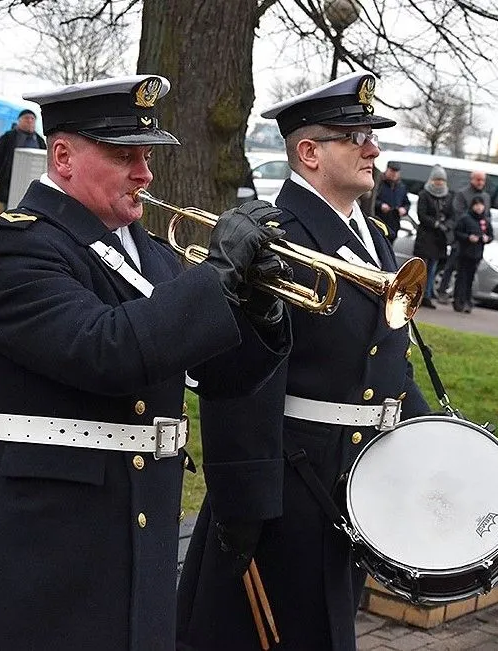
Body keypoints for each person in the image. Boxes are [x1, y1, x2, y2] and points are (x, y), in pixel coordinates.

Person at [0, 75, 291, 651]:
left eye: (147, 156)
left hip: (144, 532)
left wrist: (259, 310)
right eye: (124, 157)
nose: (145, 174)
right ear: (63, 158)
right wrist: (217, 277)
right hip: (54, 546)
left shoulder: (153, 255)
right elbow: (105, 350)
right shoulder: (17, 249)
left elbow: (221, 378)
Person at [177, 70, 430, 651]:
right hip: (290, 482)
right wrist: (244, 503)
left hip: (355, 476)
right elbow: (238, 382)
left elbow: (385, 358)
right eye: (356, 137)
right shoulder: (274, 236)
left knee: (328, 624)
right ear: (310, 153)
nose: (373, 149)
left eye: (371, 135)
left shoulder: (370, 234)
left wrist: (433, 441)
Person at [440, 170, 491, 301]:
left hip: (476, 242)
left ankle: (464, 297)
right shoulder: (462, 194)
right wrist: (469, 231)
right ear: (472, 179)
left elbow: (487, 216)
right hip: (461, 238)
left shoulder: (486, 197)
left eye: (483, 180)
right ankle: (443, 291)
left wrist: (484, 232)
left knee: (470, 271)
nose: (480, 183)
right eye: (478, 179)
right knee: (452, 265)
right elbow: (458, 214)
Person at [413, 164, 454, 309]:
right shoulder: (424, 194)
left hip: (439, 239)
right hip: (426, 237)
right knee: (422, 268)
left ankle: (427, 295)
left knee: (432, 268)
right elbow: (422, 215)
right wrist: (435, 223)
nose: (439, 183)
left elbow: (452, 215)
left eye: (442, 180)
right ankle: (417, 295)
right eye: (437, 180)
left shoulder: (448, 197)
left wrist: (446, 225)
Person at [0, 108, 46, 206]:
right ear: (19, 120)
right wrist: (2, 180)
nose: (30, 121)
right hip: (9, 187)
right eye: (26, 118)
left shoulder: (40, 141)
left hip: (32, 189)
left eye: (32, 119)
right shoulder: (8, 137)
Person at [453, 194, 493, 313]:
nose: (479, 208)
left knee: (470, 278)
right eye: (477, 205)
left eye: (481, 205)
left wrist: (487, 239)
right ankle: (458, 301)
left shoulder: (485, 220)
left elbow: (491, 235)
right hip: (464, 253)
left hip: (477, 254)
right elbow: (457, 233)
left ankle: (467, 301)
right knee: (461, 277)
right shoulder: (465, 218)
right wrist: (468, 237)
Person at [374, 161, 410, 242]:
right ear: (387, 170)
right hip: (379, 221)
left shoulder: (401, 187)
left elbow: (406, 203)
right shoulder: (378, 184)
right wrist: (381, 205)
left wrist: (404, 209)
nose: (394, 174)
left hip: (393, 224)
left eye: (396, 172)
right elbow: (370, 201)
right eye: (392, 171)